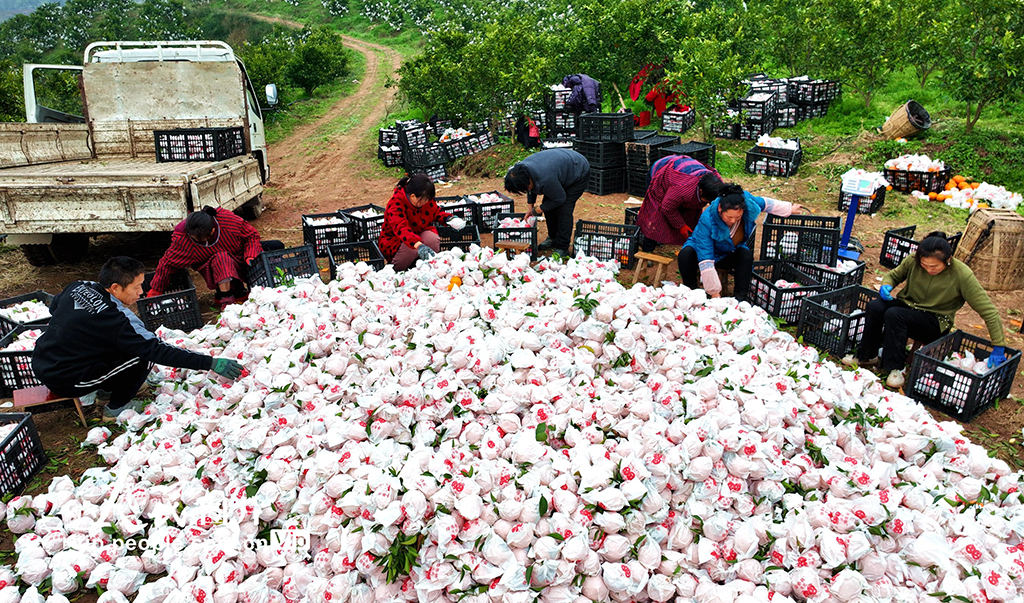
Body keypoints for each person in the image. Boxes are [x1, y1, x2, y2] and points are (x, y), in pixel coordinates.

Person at [31, 257, 243, 422]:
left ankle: (105, 391)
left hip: (41, 360)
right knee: (142, 357)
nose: (141, 292)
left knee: (116, 347)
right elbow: (157, 350)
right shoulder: (117, 321)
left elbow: (54, 308)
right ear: (115, 287)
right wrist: (211, 363)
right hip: (68, 380)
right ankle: (115, 409)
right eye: (137, 287)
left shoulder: (78, 286)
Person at [844, 232, 1007, 389]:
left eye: (934, 266)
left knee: (895, 315)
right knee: (875, 306)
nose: (929, 269)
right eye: (924, 265)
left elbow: (989, 311)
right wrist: (887, 284)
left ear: (948, 260)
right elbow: (894, 275)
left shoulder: (961, 274)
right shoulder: (912, 261)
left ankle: (897, 367)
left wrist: (998, 346)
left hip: (934, 320)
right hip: (909, 307)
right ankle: (867, 355)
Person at [678, 184, 802, 302]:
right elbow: (706, 257)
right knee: (686, 254)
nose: (733, 221)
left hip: (728, 251)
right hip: (701, 251)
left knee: (745, 255)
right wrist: (714, 293)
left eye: (737, 217)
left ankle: (741, 298)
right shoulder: (707, 220)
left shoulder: (748, 203)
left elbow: (766, 204)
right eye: (729, 217)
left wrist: (790, 209)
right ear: (720, 208)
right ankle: (692, 293)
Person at [148, 206, 284, 310]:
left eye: (203, 239)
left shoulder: (227, 221)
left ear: (212, 231)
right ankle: (226, 297)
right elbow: (168, 264)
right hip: (215, 269)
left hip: (239, 257)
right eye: (195, 239)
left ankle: (257, 285)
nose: (199, 242)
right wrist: (156, 290)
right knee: (221, 257)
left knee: (276, 245)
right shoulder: (183, 239)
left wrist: (250, 254)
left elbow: (251, 236)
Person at [504, 148, 591, 257]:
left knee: (564, 208)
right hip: (560, 167)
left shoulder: (545, 179)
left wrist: (538, 210)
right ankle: (553, 237)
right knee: (548, 205)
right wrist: (530, 207)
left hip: (578, 170)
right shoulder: (522, 170)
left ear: (528, 182)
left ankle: (562, 247)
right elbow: (530, 189)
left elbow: (560, 199)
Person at [638, 154, 724, 252]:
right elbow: (667, 207)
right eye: (707, 201)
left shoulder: (717, 184)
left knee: (690, 215)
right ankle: (647, 250)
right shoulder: (684, 189)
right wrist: (681, 226)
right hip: (660, 171)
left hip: (683, 167)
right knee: (657, 216)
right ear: (700, 192)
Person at [379, 173, 452, 271]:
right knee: (412, 248)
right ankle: (398, 271)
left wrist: (449, 219)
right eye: (424, 200)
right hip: (397, 240)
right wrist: (418, 244)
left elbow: (435, 211)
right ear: (413, 196)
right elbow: (401, 227)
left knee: (432, 239)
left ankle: (429, 266)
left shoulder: (424, 200)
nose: (426, 202)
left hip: (418, 232)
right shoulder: (396, 203)